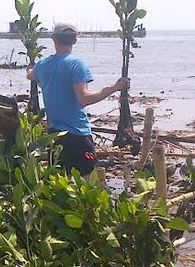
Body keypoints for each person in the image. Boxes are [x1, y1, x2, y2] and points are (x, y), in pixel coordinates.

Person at [27, 22, 129, 177]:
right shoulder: (77, 64)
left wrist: (30, 70)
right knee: (88, 182)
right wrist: (114, 88)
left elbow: (30, 74)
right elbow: (83, 99)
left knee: (59, 184)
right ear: (74, 41)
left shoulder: (42, 65)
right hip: (77, 136)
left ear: (53, 39)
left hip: (54, 135)